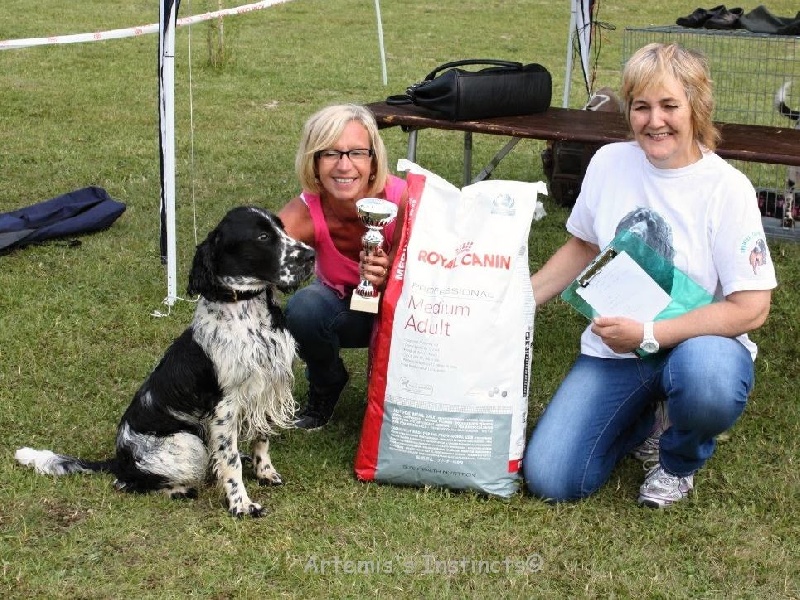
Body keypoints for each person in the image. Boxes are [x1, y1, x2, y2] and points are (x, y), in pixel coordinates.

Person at [523, 43, 777, 508]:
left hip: (697, 347)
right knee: (551, 479)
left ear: (696, 108)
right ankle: (642, 418)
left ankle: (677, 460)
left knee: (711, 382)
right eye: (641, 106)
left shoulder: (728, 189)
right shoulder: (608, 163)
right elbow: (584, 244)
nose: (654, 120)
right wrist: (521, 301)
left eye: (669, 106)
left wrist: (650, 333)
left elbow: (752, 308)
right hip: (618, 347)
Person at [278, 104, 408, 430]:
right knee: (304, 307)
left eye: (356, 153)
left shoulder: (405, 199)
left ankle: (412, 398)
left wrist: (393, 267)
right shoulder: (306, 212)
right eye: (330, 154)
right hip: (349, 313)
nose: (344, 165)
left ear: (373, 159)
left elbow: (443, 268)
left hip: (407, 314)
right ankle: (327, 381)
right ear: (314, 161)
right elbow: (256, 258)